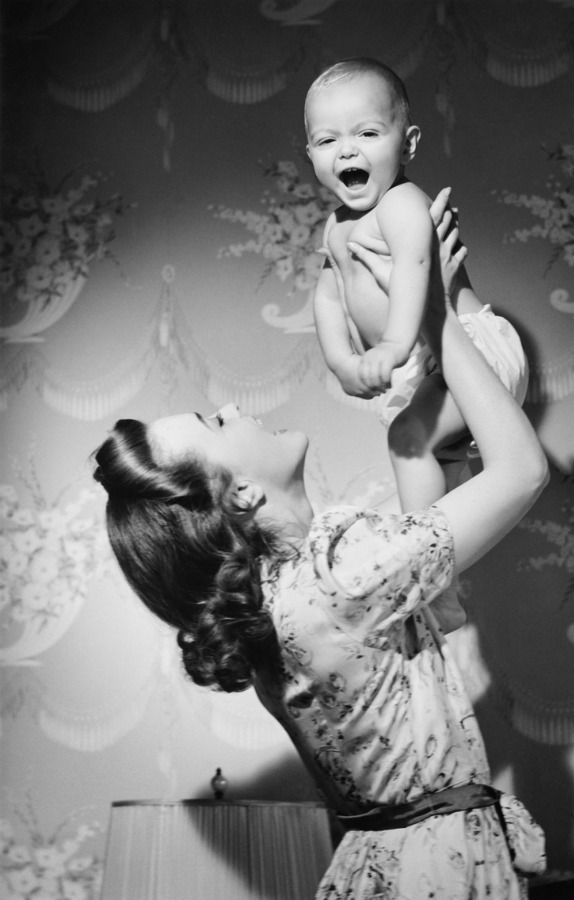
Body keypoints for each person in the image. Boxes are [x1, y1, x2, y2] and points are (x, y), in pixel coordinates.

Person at [93, 190, 548, 899]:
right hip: (439, 874)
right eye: (217, 421)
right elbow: (522, 473)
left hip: (383, 868)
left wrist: (442, 309)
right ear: (238, 495)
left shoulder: (285, 604)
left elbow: (430, 522)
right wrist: (433, 314)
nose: (238, 406)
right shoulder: (340, 578)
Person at [306, 57, 529, 514]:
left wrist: (392, 344)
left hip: (468, 347)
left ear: (407, 145)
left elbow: (415, 266)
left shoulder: (401, 202)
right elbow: (328, 296)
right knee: (434, 466)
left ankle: (417, 553)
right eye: (328, 140)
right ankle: (434, 558)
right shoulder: (335, 225)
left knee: (407, 439)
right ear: (311, 154)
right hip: (427, 363)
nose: (347, 151)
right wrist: (341, 361)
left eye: (367, 133)